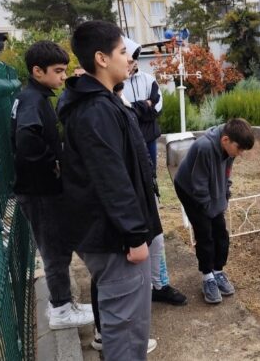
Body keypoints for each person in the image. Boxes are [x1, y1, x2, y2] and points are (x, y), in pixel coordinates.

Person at [57, 21, 158, 360]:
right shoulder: (96, 110)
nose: (129, 59)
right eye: (122, 52)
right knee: (126, 330)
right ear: (101, 58)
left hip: (110, 234)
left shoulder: (101, 101)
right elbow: (111, 178)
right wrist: (134, 236)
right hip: (116, 240)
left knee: (129, 325)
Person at [11, 40, 94, 330]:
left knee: (57, 245)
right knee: (55, 250)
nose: (62, 76)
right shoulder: (32, 101)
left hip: (38, 190)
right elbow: (26, 139)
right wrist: (52, 162)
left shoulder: (33, 97)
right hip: (39, 191)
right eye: (58, 71)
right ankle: (60, 309)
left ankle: (62, 303)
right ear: (37, 71)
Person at [121, 36, 187, 306]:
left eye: (134, 57)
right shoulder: (115, 84)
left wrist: (141, 109)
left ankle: (159, 285)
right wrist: (141, 108)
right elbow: (130, 113)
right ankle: (143, 287)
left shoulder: (148, 79)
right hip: (129, 145)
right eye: (127, 55)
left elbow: (155, 108)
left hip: (147, 141)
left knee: (150, 184)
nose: (131, 62)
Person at [173, 118, 254, 304]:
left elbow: (226, 173)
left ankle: (218, 272)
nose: (240, 154)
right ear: (225, 140)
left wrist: (224, 196)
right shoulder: (205, 147)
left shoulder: (230, 147)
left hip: (209, 188)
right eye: (239, 149)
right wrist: (209, 208)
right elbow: (198, 184)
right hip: (190, 190)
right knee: (205, 234)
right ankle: (207, 277)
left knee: (221, 234)